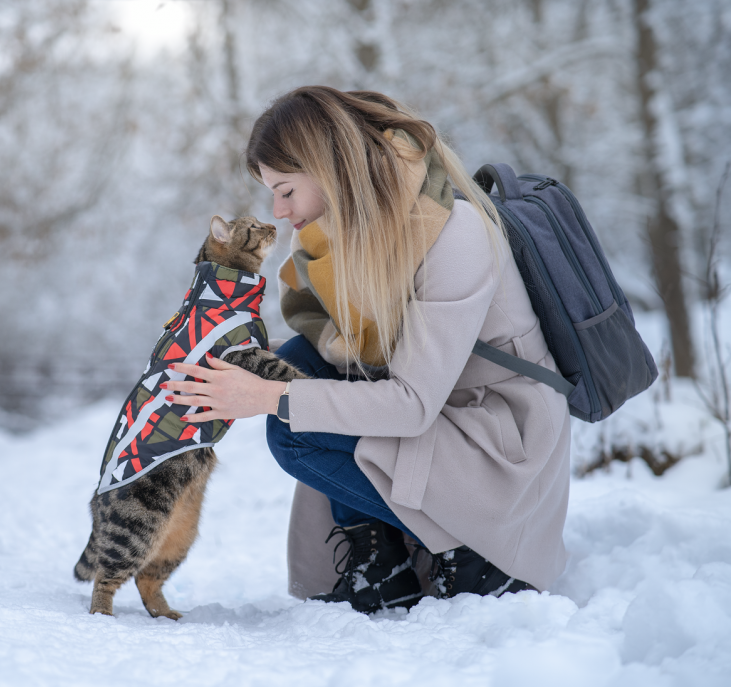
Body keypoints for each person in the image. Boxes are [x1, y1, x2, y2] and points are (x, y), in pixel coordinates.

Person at [164, 86, 570, 613]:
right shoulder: (331, 237)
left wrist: (264, 397)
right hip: (437, 409)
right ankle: (381, 559)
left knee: (292, 425)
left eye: (286, 190)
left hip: (492, 436)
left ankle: (471, 552)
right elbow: (340, 356)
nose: (277, 210)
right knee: (299, 366)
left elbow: (411, 403)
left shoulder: (452, 234)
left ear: (327, 167)